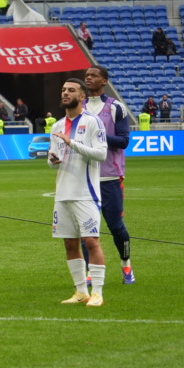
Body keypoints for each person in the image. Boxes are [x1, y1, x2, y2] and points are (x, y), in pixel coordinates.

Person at [50, 77, 108, 307]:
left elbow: (101, 154)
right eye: (63, 89)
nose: (65, 93)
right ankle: (81, 291)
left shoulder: (93, 122)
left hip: (86, 193)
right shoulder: (56, 125)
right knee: (70, 244)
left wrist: (72, 143)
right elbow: (53, 156)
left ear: (82, 96)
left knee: (91, 242)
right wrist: (53, 159)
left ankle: (98, 293)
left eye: (71, 90)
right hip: (62, 192)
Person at [83, 65, 136, 285]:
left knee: (116, 227)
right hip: (84, 178)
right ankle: (89, 273)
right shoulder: (79, 107)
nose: (88, 78)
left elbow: (124, 141)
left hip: (110, 177)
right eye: (86, 75)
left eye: (93, 75)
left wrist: (98, 136)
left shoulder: (116, 108)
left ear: (104, 81)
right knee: (86, 230)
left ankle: (127, 267)